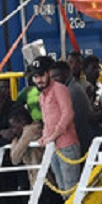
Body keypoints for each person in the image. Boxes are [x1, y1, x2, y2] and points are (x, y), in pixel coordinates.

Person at [33, 57, 83, 193]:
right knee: (62, 188)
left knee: (70, 189)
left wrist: (52, 136)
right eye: (35, 76)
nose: (39, 80)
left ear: (49, 73)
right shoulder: (42, 95)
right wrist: (45, 137)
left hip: (66, 145)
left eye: (41, 75)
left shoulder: (60, 89)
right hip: (53, 146)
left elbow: (68, 114)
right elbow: (47, 121)